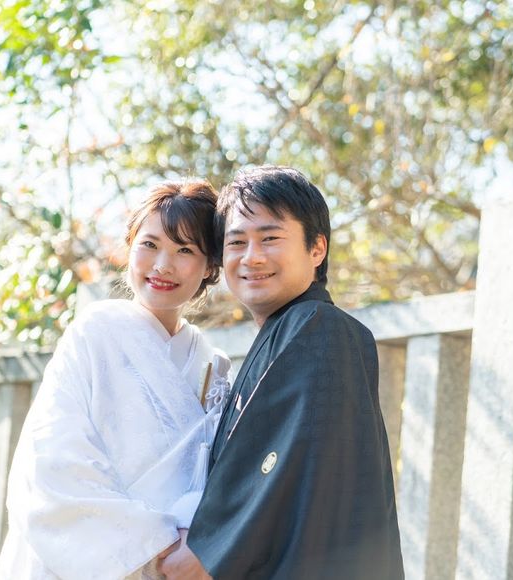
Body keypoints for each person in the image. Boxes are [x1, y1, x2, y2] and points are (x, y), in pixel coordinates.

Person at [159, 166, 404, 579]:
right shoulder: (288, 331)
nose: (251, 257)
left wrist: (207, 549)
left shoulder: (320, 327)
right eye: (237, 242)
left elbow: (289, 462)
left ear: (317, 249)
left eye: (270, 238)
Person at [0, 180, 231, 580]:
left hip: (178, 563)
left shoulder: (214, 366)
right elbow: (54, 460)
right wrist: (155, 542)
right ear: (130, 246)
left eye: (185, 250)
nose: (162, 265)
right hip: (104, 558)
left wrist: (193, 543)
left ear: (211, 266)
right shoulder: (94, 333)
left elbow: (217, 480)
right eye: (150, 244)